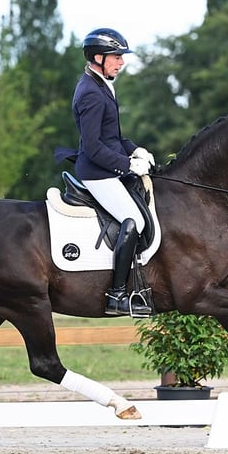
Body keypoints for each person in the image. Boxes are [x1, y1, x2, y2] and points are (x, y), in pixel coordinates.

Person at [72, 28, 155, 316]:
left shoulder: (102, 84)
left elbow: (113, 137)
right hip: (97, 173)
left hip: (108, 167)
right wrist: (127, 165)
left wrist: (134, 150)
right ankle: (117, 295)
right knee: (133, 221)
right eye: (117, 57)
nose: (121, 62)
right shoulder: (91, 94)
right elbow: (93, 147)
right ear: (98, 57)